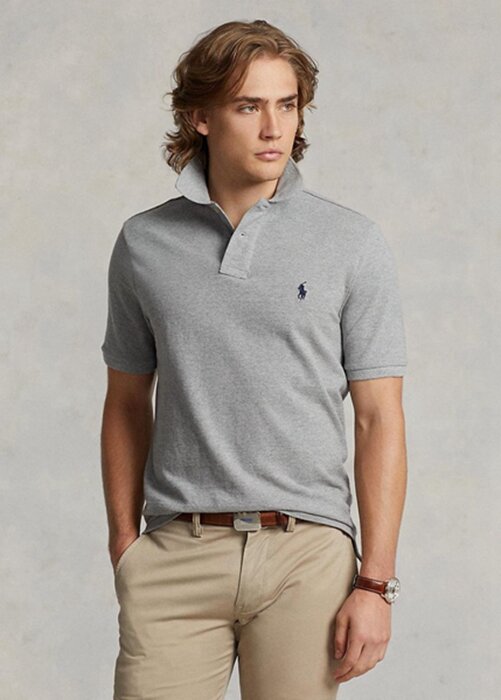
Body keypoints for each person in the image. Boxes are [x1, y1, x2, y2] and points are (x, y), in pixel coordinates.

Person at [100, 18, 408, 700]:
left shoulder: (350, 241)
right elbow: (125, 401)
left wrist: (374, 582)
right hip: (177, 553)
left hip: (307, 553)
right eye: (248, 106)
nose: (274, 128)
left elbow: (378, 419)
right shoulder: (144, 242)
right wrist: (125, 544)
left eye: (287, 105)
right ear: (200, 116)